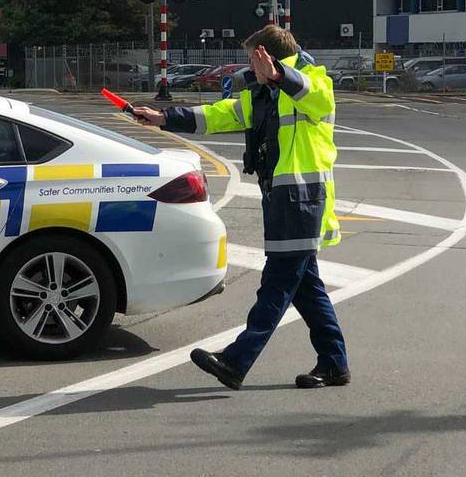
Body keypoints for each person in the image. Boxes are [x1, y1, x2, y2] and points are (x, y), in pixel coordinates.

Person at [134, 26, 348, 390]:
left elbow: (317, 100)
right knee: (306, 288)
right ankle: (333, 364)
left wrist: (280, 76)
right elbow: (220, 115)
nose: (248, 65)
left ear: (269, 57)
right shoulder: (261, 94)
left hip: (301, 199)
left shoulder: (312, 80)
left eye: (252, 57)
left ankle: (236, 361)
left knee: (277, 283)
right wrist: (164, 118)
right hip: (280, 198)